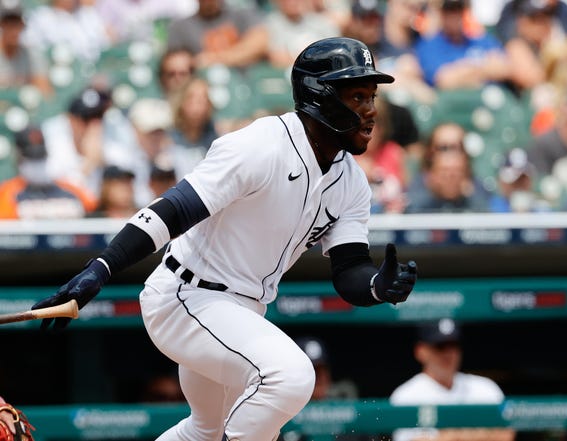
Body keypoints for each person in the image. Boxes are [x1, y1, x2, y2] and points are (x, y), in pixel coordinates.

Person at [31, 37, 418, 441]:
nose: (372, 111)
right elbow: (174, 210)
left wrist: (376, 286)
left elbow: (349, 268)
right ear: (320, 96)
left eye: (372, 96)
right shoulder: (261, 145)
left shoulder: (352, 183)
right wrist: (101, 268)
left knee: (205, 431)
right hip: (186, 297)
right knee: (291, 375)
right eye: (358, 96)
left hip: (243, 315)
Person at [390, 319, 515, 441]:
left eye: (453, 345)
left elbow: (506, 435)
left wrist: (449, 436)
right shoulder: (405, 396)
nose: (448, 353)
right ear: (420, 351)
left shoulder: (485, 387)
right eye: (440, 346)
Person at [0, 125, 97, 219]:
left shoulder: (70, 188)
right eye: (31, 159)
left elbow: (92, 207)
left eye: (40, 158)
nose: (36, 165)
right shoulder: (8, 192)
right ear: (18, 158)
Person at [414, 0, 511, 90]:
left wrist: (462, 72)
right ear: (441, 13)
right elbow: (444, 80)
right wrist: (482, 66)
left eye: (458, 10)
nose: (454, 15)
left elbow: (505, 68)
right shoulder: (429, 45)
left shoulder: (479, 40)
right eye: (449, 10)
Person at [166, 0, 268, 69]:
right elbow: (174, 62)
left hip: (243, 84)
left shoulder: (241, 15)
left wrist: (215, 59)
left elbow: (260, 42)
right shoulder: (180, 27)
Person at [265, 0, 340, 69]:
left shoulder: (323, 23)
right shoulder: (269, 26)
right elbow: (279, 59)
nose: (293, 2)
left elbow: (334, 53)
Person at [0, 0, 51, 96]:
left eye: (17, 23)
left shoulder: (31, 55)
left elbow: (46, 93)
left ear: (23, 25)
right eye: (8, 22)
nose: (13, 29)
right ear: (1, 24)